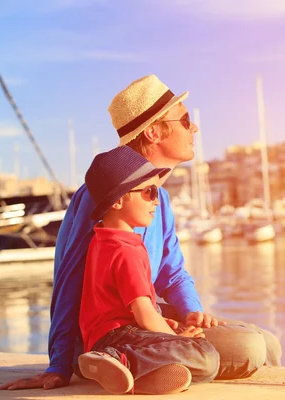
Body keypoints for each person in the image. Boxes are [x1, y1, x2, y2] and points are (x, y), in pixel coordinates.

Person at [0, 75, 282, 391]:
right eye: (186, 120)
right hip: (112, 337)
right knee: (250, 349)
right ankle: (117, 364)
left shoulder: (157, 199)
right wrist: (59, 365)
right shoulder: (102, 197)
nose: (195, 129)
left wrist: (192, 314)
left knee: (267, 342)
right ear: (153, 131)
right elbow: (69, 281)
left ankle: (155, 370)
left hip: (146, 326)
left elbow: (172, 273)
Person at [79, 146, 219, 395]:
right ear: (118, 200)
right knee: (206, 356)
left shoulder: (101, 240)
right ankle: (120, 360)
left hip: (105, 335)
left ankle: (130, 376)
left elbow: (118, 306)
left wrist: (167, 325)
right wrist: (178, 339)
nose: (157, 199)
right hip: (120, 339)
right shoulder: (127, 249)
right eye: (149, 191)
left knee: (188, 360)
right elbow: (143, 315)